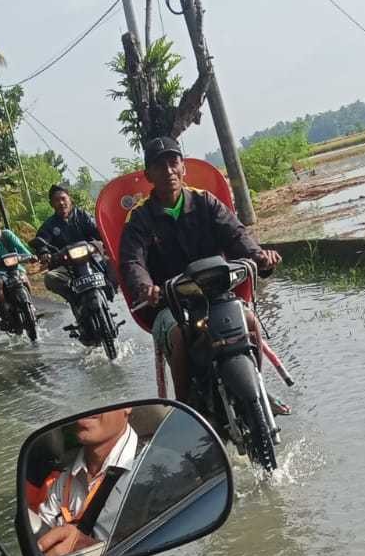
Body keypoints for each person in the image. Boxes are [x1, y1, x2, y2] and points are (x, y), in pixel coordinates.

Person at [117, 136, 283, 405]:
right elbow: (132, 262)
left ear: (184, 167)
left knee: (250, 321)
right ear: (149, 175)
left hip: (215, 295)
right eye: (160, 166)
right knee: (179, 337)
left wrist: (259, 256)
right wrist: (145, 287)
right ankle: (188, 409)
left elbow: (236, 235)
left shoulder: (206, 202)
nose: (169, 171)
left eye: (173, 162)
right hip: (168, 305)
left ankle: (259, 390)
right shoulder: (139, 218)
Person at [35, 409, 140, 556]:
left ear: (128, 406)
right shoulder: (61, 477)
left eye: (101, 390)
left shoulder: (157, 468)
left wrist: (89, 549)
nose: (86, 406)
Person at [33, 183, 115, 306]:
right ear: (51, 204)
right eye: (56, 200)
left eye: (63, 198)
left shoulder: (83, 216)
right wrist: (44, 252)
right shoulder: (49, 225)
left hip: (91, 259)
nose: (61, 203)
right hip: (67, 266)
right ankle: (75, 298)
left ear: (69, 199)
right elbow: (41, 241)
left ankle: (110, 288)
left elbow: (98, 231)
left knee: (114, 262)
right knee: (50, 278)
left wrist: (105, 240)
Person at [0, 214, 34, 324]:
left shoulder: (7, 234)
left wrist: (30, 256)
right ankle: (5, 315)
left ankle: (31, 305)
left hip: (15, 266)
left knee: (24, 279)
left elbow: (20, 247)